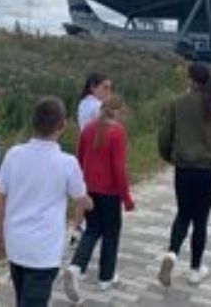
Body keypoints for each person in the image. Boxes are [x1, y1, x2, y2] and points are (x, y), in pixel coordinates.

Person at [0, 97, 92, 307]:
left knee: (22, 297)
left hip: (16, 243)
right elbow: (81, 199)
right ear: (63, 125)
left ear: (33, 122)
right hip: (44, 250)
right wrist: (91, 203)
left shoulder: (13, 154)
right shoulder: (68, 163)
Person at [157, 63, 211, 287]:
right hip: (208, 171)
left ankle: (172, 253)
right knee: (201, 220)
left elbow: (164, 136)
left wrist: (170, 157)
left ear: (191, 80)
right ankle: (195, 270)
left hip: (184, 169)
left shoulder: (178, 103)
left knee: (183, 214)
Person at [64, 95, 134, 304]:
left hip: (90, 188)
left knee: (92, 230)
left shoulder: (88, 129)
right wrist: (126, 198)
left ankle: (76, 267)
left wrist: (80, 187)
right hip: (110, 192)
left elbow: (79, 159)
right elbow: (118, 169)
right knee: (111, 234)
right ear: (118, 111)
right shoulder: (117, 132)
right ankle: (106, 277)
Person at [71, 72, 113, 246]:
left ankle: (77, 228)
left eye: (110, 88)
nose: (108, 91)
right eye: (105, 87)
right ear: (93, 87)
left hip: (83, 147)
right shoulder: (98, 106)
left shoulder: (83, 103)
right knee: (94, 189)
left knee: (82, 188)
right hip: (96, 151)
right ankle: (92, 226)